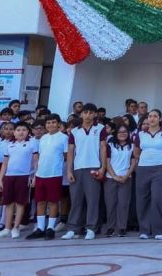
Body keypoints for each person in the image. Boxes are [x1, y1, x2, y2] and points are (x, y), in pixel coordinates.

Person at [62, 103, 106, 240]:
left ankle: (91, 228)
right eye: (85, 112)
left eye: (91, 113)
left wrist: (103, 167)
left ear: (95, 114)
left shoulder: (100, 128)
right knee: (76, 200)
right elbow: (70, 152)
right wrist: (69, 171)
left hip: (94, 167)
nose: (88, 115)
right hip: (77, 168)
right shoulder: (74, 131)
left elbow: (103, 148)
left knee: (92, 200)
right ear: (81, 114)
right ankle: (72, 228)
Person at [133, 109, 162, 240]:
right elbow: (136, 152)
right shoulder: (140, 134)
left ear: (160, 119)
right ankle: (144, 230)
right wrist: (144, 160)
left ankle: (159, 229)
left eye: (155, 116)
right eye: (150, 116)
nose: (152, 118)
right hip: (143, 168)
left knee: (157, 198)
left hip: (160, 169)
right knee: (142, 199)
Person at [26, 114, 68, 240]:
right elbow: (39, 156)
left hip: (54, 173)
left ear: (58, 124)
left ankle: (50, 228)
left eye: (53, 122)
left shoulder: (63, 137)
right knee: (40, 201)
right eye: (48, 123)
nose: (51, 125)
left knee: (53, 201)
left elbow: (66, 156)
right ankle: (40, 228)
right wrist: (35, 175)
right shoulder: (43, 138)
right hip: (40, 174)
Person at [0, 121, 37, 239]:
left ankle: (16, 227)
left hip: (24, 176)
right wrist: (0, 179)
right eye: (18, 130)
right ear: (14, 132)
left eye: (23, 130)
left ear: (28, 132)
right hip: (9, 176)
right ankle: (7, 228)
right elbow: (4, 163)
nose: (21, 132)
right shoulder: (9, 145)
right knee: (8, 203)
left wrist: (34, 176)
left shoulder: (32, 144)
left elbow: (36, 161)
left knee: (20, 203)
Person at [102, 124, 135, 237]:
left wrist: (127, 175)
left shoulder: (132, 146)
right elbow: (107, 162)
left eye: (125, 132)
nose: (122, 134)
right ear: (116, 133)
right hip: (111, 178)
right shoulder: (110, 145)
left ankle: (122, 227)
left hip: (126, 178)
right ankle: (110, 227)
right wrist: (114, 176)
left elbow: (133, 163)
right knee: (110, 204)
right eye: (120, 132)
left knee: (123, 204)